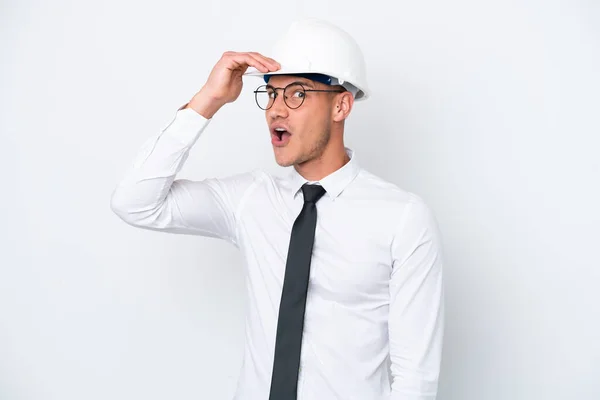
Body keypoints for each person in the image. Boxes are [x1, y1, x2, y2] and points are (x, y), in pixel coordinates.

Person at [111, 18, 444, 400]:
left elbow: (415, 381)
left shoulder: (402, 218)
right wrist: (209, 99)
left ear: (341, 105)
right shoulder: (251, 200)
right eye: (271, 94)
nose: (275, 110)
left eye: (297, 94)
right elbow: (134, 202)